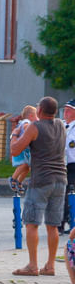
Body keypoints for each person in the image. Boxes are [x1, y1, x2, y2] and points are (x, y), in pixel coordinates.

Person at [10, 97, 67, 277]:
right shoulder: (61, 125)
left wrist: (15, 134)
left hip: (41, 180)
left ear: (40, 111)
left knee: (31, 223)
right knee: (53, 225)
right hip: (60, 179)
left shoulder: (35, 127)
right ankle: (50, 265)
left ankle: (33, 266)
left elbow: (15, 150)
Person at [10, 105, 38, 191]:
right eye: (36, 116)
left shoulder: (25, 122)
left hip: (25, 150)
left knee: (27, 167)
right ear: (31, 116)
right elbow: (26, 128)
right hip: (21, 149)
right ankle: (13, 179)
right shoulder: (26, 122)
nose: (37, 118)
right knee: (24, 165)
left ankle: (19, 181)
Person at [62, 99, 75, 235]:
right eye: (65, 109)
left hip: (73, 165)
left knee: (68, 195)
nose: (66, 112)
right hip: (62, 165)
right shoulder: (62, 125)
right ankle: (62, 222)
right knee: (61, 195)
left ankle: (66, 223)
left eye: (69, 110)